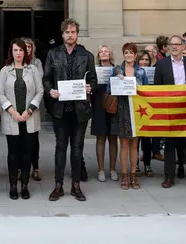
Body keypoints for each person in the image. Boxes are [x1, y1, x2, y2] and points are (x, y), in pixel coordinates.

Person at [43, 19, 97, 202]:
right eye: (67, 32)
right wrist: (50, 90)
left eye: (73, 32)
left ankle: (76, 186)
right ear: (62, 34)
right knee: (60, 147)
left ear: (77, 34)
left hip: (80, 109)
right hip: (60, 109)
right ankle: (58, 186)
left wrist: (91, 87)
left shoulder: (87, 55)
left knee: (77, 148)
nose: (70, 35)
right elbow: (47, 78)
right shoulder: (53, 54)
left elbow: (94, 79)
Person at [154, 35, 186, 189]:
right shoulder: (162, 64)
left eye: (177, 44)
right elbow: (157, 87)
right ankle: (169, 176)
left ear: (183, 47)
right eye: (172, 44)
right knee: (170, 144)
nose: (174, 47)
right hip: (170, 109)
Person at [0, 39, 44, 200]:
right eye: (15, 50)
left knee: (26, 153)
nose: (18, 53)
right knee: (13, 153)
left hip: (29, 117)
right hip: (12, 118)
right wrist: (12, 111)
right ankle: (12, 185)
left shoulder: (33, 70)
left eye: (21, 50)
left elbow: (40, 91)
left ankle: (24, 185)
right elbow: (0, 93)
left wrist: (29, 110)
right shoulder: (5, 71)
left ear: (26, 52)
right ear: (11, 52)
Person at [114, 43, 149, 190]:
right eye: (126, 52)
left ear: (135, 55)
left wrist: (137, 88)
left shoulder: (141, 71)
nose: (128, 55)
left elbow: (147, 90)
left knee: (134, 144)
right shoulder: (117, 70)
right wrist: (118, 81)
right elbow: (111, 89)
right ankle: (124, 175)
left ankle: (133, 175)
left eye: (131, 53)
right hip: (122, 108)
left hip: (137, 110)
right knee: (124, 144)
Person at [92, 45, 118, 182]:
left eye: (106, 51)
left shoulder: (117, 69)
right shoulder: (94, 70)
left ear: (110, 54)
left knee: (113, 138)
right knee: (100, 138)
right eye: (101, 51)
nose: (103, 53)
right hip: (98, 105)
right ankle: (101, 169)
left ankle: (113, 169)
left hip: (113, 105)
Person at [22, 37, 44, 181]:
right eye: (25, 46)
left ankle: (35, 167)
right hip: (18, 107)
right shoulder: (14, 63)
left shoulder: (37, 63)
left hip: (33, 105)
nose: (27, 49)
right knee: (20, 139)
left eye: (29, 46)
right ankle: (20, 168)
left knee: (33, 139)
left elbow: (39, 81)